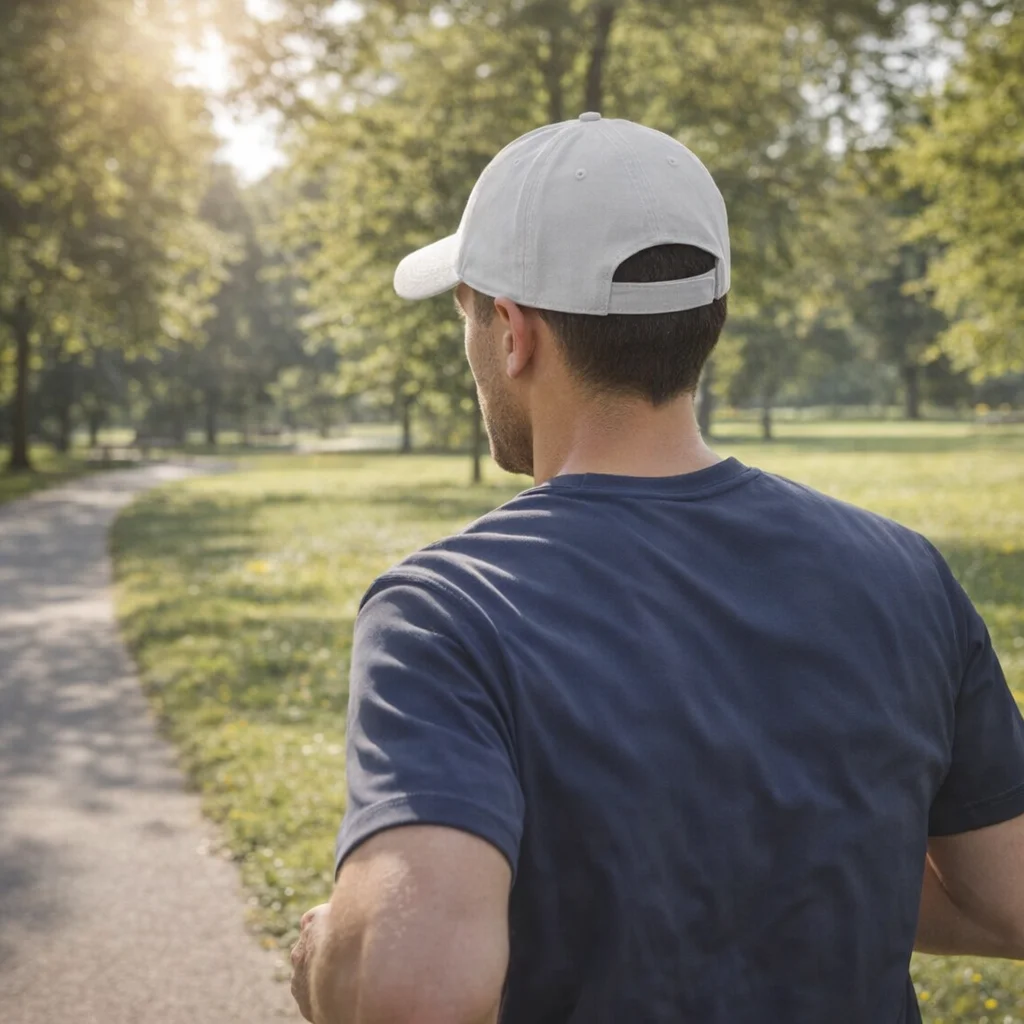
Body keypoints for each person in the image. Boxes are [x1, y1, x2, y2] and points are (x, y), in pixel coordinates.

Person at [289, 114, 1024, 1024]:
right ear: (705, 314)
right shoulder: (908, 575)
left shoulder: (447, 612)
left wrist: (330, 945)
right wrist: (798, 877)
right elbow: (1009, 898)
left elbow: (411, 993)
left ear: (513, 334)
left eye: (467, 314)